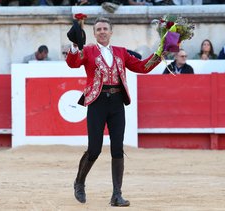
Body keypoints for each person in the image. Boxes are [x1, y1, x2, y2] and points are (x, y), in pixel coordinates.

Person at [65, 17, 161, 207]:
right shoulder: (88, 50)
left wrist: (160, 53)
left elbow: (142, 67)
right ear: (94, 33)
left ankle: (117, 195)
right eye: (99, 29)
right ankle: (79, 182)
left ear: (111, 32)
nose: (102, 31)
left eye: (105, 29)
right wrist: (76, 44)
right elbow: (73, 63)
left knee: (117, 149)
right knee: (95, 149)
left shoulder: (121, 52)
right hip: (97, 101)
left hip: (117, 102)